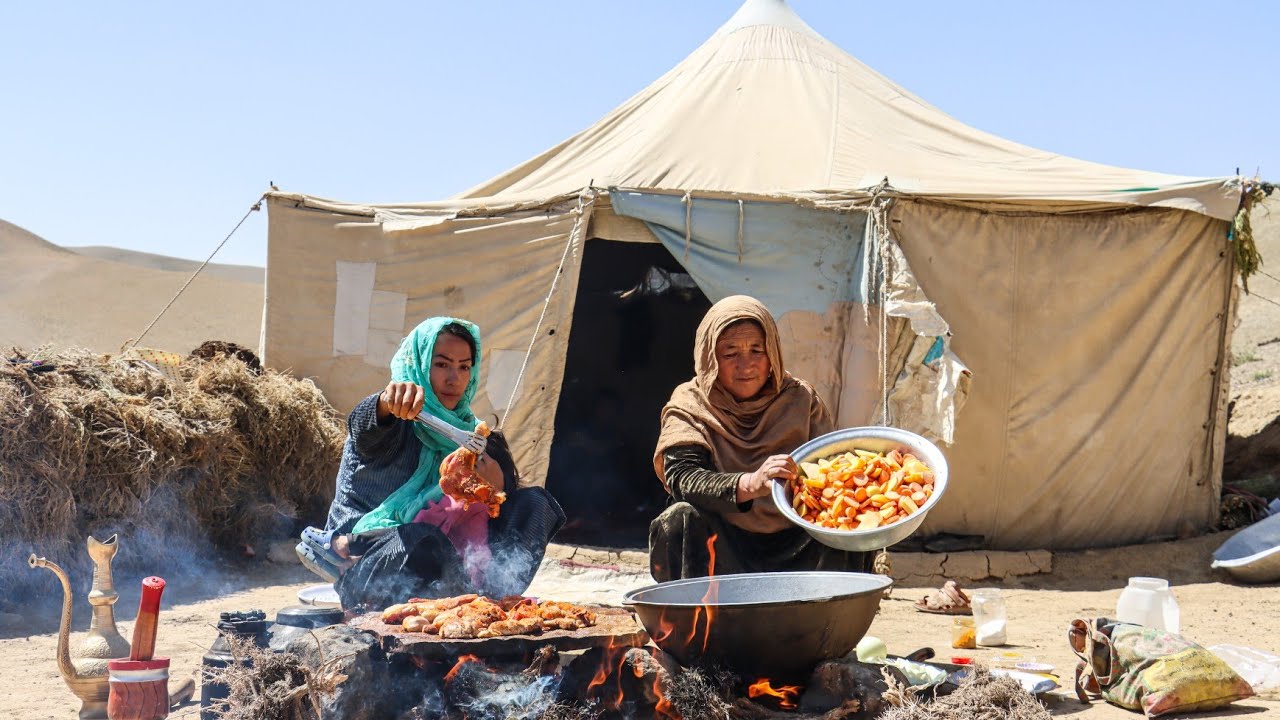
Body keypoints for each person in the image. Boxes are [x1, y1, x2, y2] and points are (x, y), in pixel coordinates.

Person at [296, 317, 565, 608]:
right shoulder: (392, 422)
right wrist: (388, 401)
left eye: (464, 366)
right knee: (423, 537)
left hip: (458, 577)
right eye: (441, 364)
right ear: (419, 364)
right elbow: (362, 426)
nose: (454, 378)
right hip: (377, 570)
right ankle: (340, 547)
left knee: (536, 503)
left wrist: (497, 489)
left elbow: (495, 517)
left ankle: (492, 600)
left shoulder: (474, 436)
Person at [649, 295, 873, 581]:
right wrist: (750, 483)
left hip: (798, 545)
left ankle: (830, 621)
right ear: (709, 357)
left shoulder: (800, 400)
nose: (747, 365)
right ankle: (694, 621)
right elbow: (684, 478)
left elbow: (833, 475)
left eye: (757, 350)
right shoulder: (691, 404)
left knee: (854, 516)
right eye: (730, 354)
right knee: (679, 518)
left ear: (773, 354)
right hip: (723, 547)